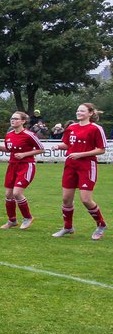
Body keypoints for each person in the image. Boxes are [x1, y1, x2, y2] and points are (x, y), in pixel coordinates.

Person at [53, 102, 107, 239]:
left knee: (86, 199)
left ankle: (101, 224)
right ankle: (68, 227)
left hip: (87, 166)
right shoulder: (71, 127)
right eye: (78, 110)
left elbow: (101, 149)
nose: (79, 113)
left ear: (90, 113)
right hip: (71, 165)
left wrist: (80, 154)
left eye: (82, 111)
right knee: (66, 199)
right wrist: (58, 146)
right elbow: (67, 144)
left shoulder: (96, 128)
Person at [0, 110, 44, 229]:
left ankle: (28, 217)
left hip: (26, 165)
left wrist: (24, 154)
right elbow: (9, 150)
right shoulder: (9, 135)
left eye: (16, 119)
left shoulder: (29, 135)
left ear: (23, 121)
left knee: (17, 193)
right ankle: (12, 220)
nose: (13, 120)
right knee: (8, 194)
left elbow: (41, 149)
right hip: (12, 165)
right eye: (12, 118)